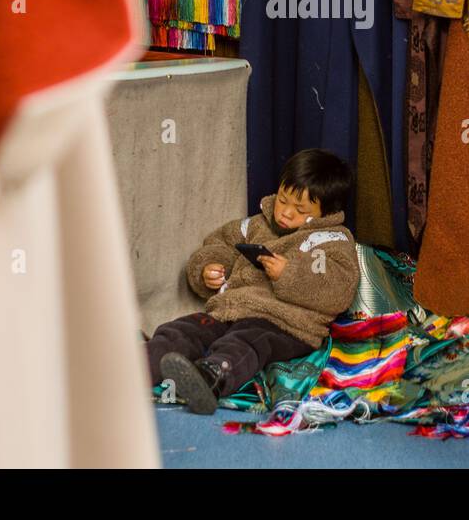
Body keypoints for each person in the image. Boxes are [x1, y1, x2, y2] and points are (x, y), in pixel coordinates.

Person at [149, 149, 360, 414]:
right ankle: (138, 366)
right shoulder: (255, 225)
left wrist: (290, 273)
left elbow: (339, 290)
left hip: (286, 324)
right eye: (283, 200)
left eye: (300, 210)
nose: (285, 212)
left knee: (246, 341)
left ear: (325, 213)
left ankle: (211, 377)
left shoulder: (332, 240)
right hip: (231, 310)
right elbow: (219, 244)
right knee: (184, 329)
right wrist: (208, 268)